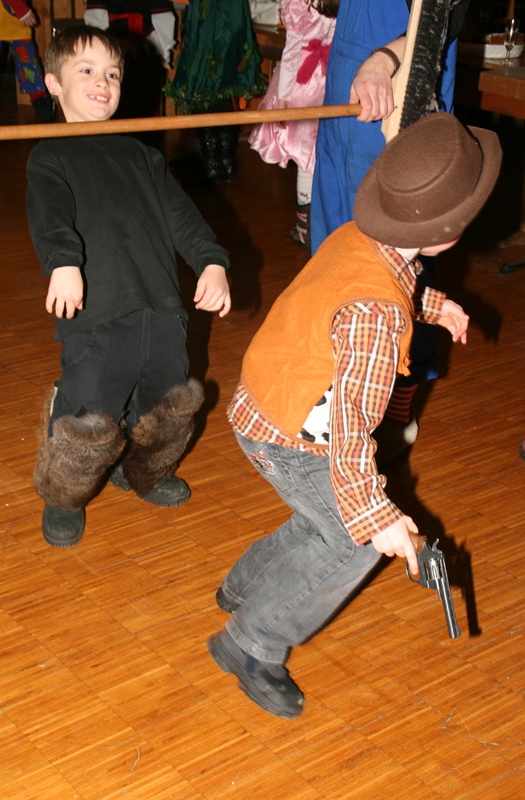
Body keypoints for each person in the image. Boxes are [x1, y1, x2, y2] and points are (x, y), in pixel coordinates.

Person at [207, 112, 501, 718]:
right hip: (288, 435)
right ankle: (251, 642)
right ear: (450, 234)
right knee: (352, 538)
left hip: (264, 394)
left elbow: (383, 281)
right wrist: (376, 517)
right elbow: (350, 434)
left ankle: (243, 587)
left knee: (323, 517)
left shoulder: (358, 237)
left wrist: (433, 305)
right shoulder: (377, 318)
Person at [26, 25, 231, 548]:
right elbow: (50, 217)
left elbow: (182, 216)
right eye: (87, 71)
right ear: (54, 83)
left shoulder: (143, 156)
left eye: (112, 74)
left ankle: (144, 470)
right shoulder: (50, 156)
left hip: (160, 304)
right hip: (97, 309)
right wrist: (63, 263)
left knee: (165, 399)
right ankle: (64, 494)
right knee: (89, 405)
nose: (103, 83)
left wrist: (210, 261)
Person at [311, 0, 471, 464]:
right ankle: (332, 397)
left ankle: (393, 412)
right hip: (349, 95)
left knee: (400, 262)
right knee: (334, 255)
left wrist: (385, 58)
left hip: (403, 92)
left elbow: (449, 15)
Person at [248, 0, 338, 247]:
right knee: (322, 154)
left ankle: (304, 227)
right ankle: (323, 222)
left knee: (304, 158)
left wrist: (282, 97)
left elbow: (292, 50)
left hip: (302, 80)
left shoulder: (299, 3)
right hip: (331, 78)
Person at [166, 0, 266, 182]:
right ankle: (226, 162)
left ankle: (213, 164)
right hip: (231, 12)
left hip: (210, 14)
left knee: (203, 80)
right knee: (223, 81)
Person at [0, 0, 54, 122]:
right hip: (3, 14)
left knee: (28, 66)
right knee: (28, 65)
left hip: (13, 19)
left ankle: (44, 115)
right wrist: (21, 9)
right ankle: (45, 115)